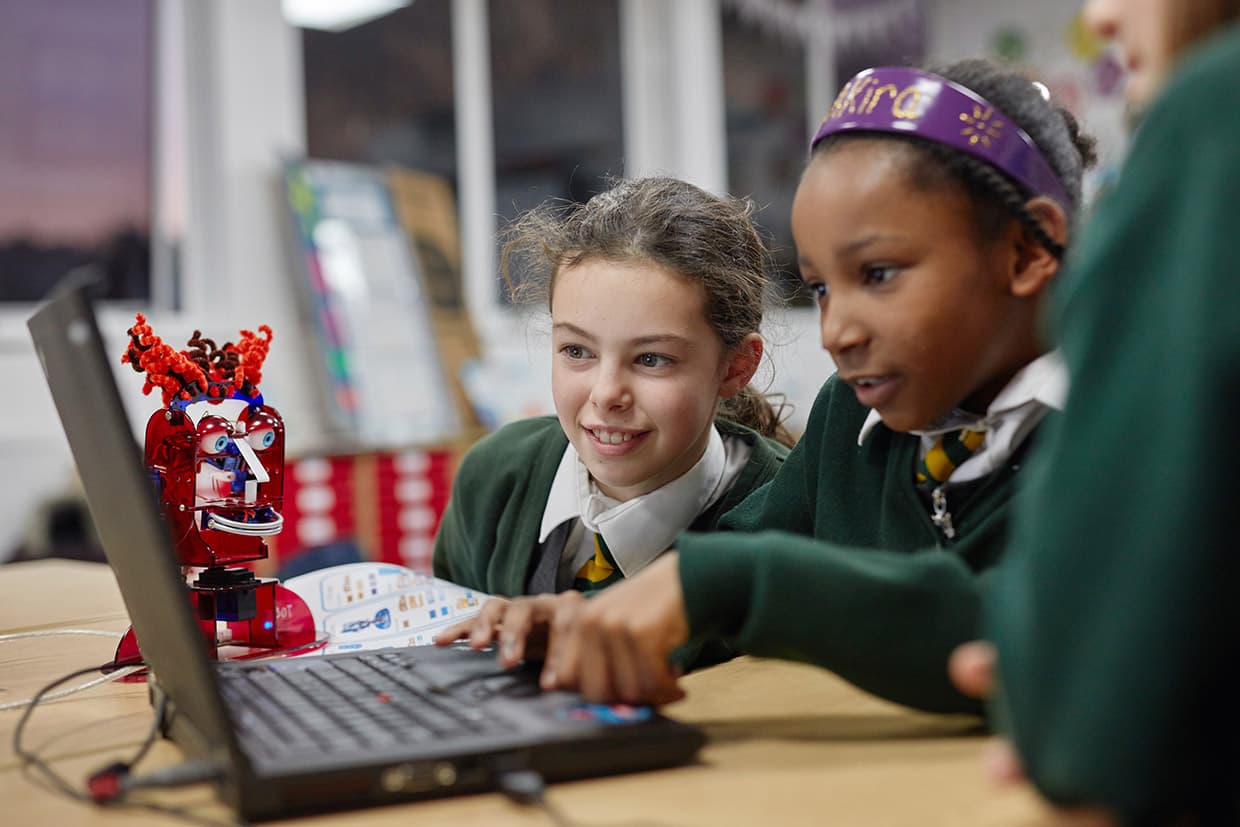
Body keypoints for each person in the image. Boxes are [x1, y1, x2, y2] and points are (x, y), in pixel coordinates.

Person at [441, 59, 1097, 712]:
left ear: (1024, 253)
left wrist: (725, 583)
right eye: (820, 288)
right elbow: (726, 563)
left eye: (878, 274)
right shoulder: (850, 415)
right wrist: (583, 627)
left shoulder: (1121, 429)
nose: (836, 331)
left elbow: (1027, 630)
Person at [958, 1, 1240, 824]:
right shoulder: (846, 422)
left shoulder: (1216, 109)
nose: (1102, 13)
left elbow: (1086, 722)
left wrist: (1059, 697)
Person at [432, 177, 792, 622]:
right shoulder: (493, 481)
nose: (606, 395)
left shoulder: (788, 524)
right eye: (577, 351)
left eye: (652, 359)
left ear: (736, 366)